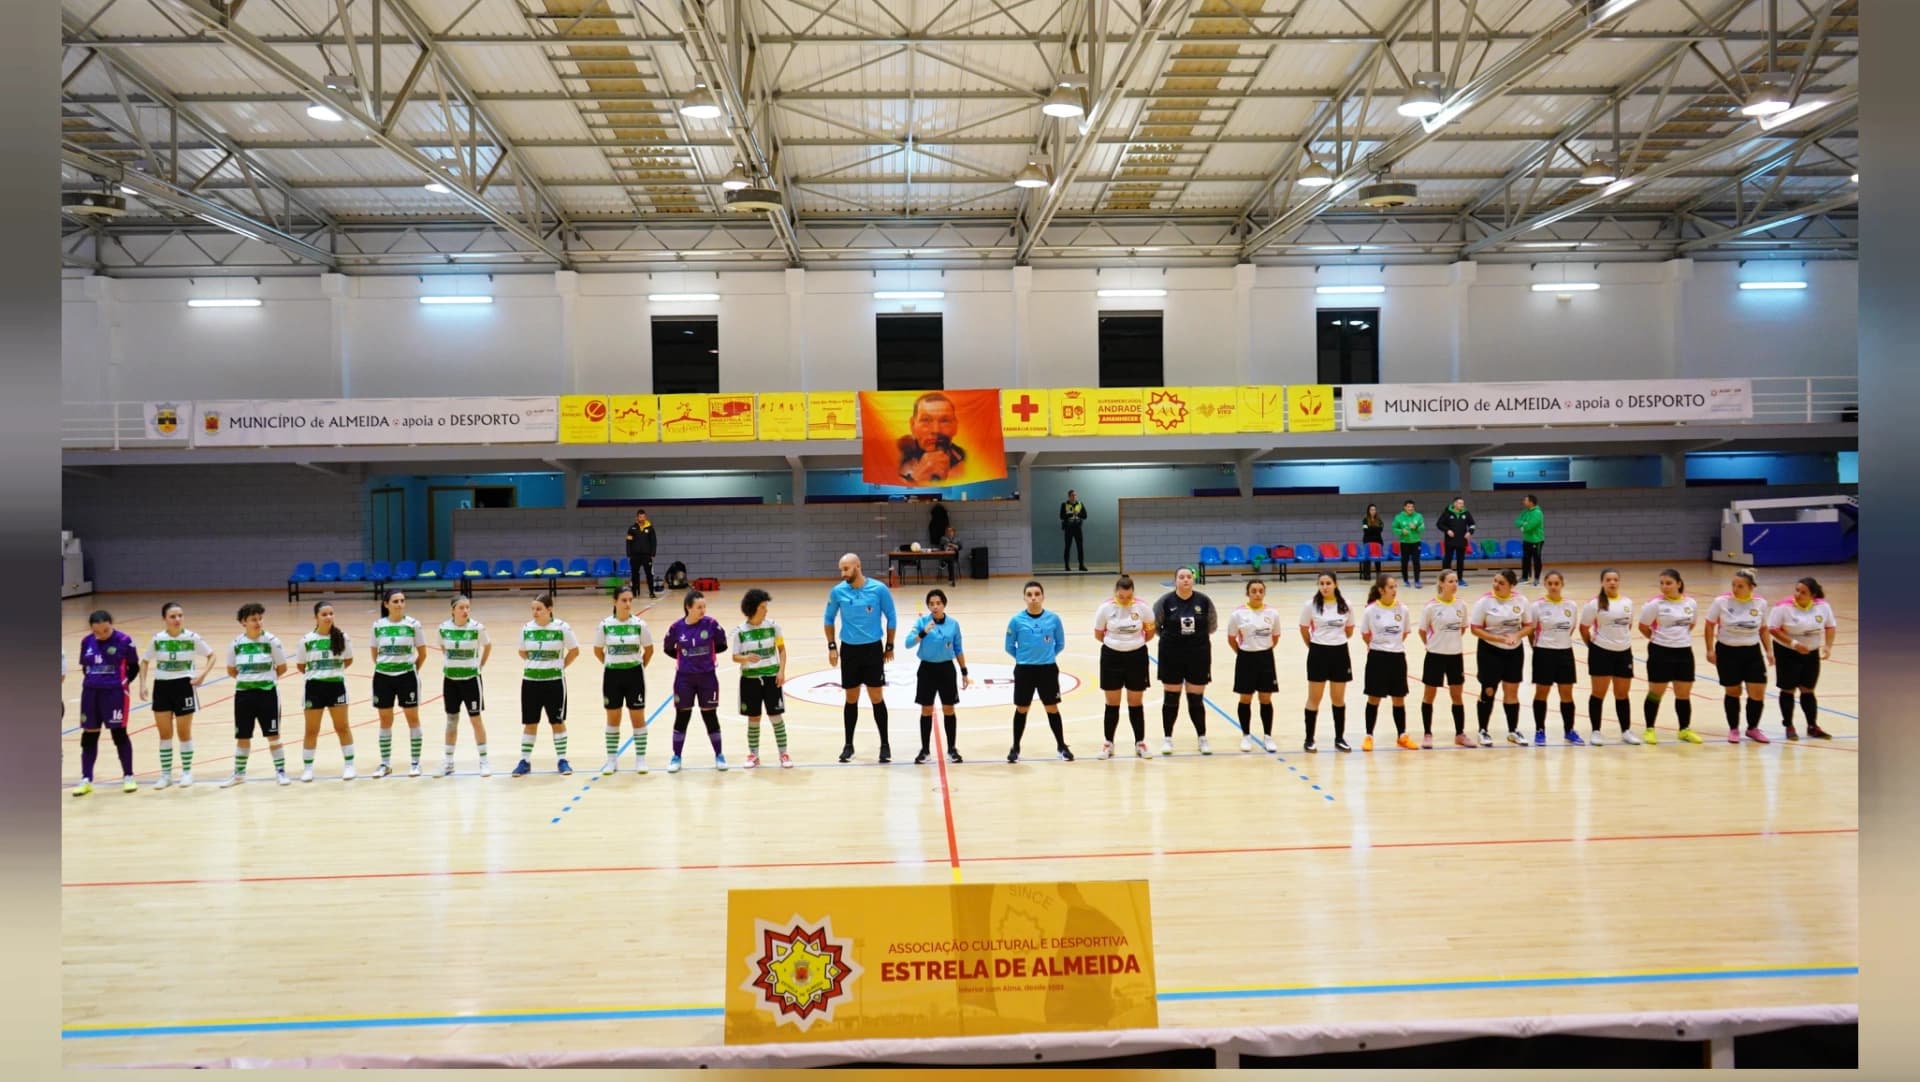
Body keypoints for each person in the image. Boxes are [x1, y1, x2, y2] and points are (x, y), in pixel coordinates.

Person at [824, 553, 899, 763]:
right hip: (849, 650)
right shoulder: (838, 591)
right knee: (851, 698)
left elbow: (891, 616)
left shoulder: (878, 589)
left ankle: (885, 745)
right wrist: (832, 646)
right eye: (841, 569)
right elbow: (828, 618)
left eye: (846, 569)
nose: (843, 573)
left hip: (873, 650)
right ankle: (848, 745)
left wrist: (889, 645)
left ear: (858, 566)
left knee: (876, 697)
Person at [139, 601, 215, 790]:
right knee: (165, 734)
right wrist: (142, 684)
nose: (177, 619)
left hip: (184, 686)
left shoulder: (191, 637)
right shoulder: (158, 639)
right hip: (162, 687)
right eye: (173, 616)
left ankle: (187, 772)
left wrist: (202, 674)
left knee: (184, 733)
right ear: (164, 619)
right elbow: (145, 661)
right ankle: (166, 775)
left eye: (180, 615)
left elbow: (212, 655)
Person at [222, 602, 291, 788]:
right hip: (244, 695)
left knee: (273, 735)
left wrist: (264, 679)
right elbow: (231, 670)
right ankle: (239, 775)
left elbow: (282, 667)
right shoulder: (236, 644)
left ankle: (281, 772)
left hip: (267, 694)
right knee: (242, 736)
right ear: (243, 622)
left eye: (260, 618)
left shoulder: (272, 641)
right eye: (254, 619)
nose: (258, 622)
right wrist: (249, 680)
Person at [73, 610, 140, 796]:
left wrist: (121, 684)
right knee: (89, 735)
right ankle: (86, 779)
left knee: (119, 733)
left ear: (111, 624)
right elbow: (86, 668)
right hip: (90, 693)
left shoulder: (125, 640)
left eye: (105, 630)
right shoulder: (86, 642)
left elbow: (133, 667)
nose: (101, 635)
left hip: (114, 694)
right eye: (97, 632)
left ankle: (128, 776)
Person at [512, 595, 579, 777]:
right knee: (530, 722)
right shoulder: (527, 628)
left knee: (557, 722)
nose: (535, 612)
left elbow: (574, 650)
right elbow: (522, 651)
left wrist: (561, 665)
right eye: (533, 609)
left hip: (554, 682)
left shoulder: (562, 628)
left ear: (549, 609)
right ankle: (524, 761)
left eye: (539, 608)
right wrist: (535, 664)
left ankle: (562, 760)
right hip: (531, 682)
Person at [1005, 580, 1072, 763]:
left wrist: (1046, 656)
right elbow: (1009, 646)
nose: (1033, 598)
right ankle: (1016, 747)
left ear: (1043, 596)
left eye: (1037, 594)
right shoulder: (1017, 620)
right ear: (1024, 598)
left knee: (1051, 707)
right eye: (1029, 595)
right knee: (1022, 708)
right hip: (1024, 670)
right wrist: (1024, 659)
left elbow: (1060, 644)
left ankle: (1061, 745)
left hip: (1047, 669)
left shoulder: (1053, 619)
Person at [1153, 566, 1218, 755]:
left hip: (1198, 654)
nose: (1186, 580)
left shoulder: (1203, 601)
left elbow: (1212, 626)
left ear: (1193, 580)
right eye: (1181, 577)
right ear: (1175, 581)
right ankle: (1167, 739)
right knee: (1171, 698)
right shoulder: (1165, 601)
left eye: (1189, 577)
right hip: (1171, 654)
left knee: (1196, 699)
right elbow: (1156, 626)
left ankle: (1202, 738)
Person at [663, 589, 728, 774]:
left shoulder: (711, 624)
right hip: (684, 678)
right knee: (682, 716)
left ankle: (719, 755)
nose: (703, 610)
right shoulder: (676, 628)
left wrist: (706, 658)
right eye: (699, 607)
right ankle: (676, 757)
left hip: (707, 677)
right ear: (688, 607)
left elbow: (722, 645)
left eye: (704, 606)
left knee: (710, 715)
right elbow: (668, 648)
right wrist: (685, 659)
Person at [1705, 569, 1773, 744]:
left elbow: (1764, 629)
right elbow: (1709, 625)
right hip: (1728, 651)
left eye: (1740, 586)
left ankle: (1753, 728)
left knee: (1757, 691)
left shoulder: (1760, 604)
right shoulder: (1721, 602)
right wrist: (1710, 650)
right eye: (1733, 585)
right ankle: (1733, 728)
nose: (1735, 589)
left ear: (1751, 587)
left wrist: (1769, 651)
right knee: (1733, 690)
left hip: (1752, 651)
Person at [1768, 576, 1838, 740]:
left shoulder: (1823, 606)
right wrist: (1793, 643)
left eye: (1803, 592)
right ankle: (1789, 725)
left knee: (1808, 689)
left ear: (1813, 594)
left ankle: (1812, 725)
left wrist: (1828, 646)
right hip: (1787, 651)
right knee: (1788, 689)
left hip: (1810, 652)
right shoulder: (1783, 607)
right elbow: (1773, 629)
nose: (1798, 594)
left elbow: (1830, 626)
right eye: (1797, 590)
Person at [1637, 569, 1702, 745]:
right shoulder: (1655, 605)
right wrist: (1658, 639)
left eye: (1668, 583)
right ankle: (1650, 729)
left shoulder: (1691, 603)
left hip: (1684, 651)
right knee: (1656, 692)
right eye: (1662, 583)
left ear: (1678, 584)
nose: (1664, 587)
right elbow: (1643, 626)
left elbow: (1691, 624)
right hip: (1660, 651)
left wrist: (1678, 638)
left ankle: (1684, 729)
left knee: (1683, 693)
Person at [1093, 575, 1156, 758]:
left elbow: (1150, 631)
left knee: (1135, 702)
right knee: (1112, 702)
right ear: (1116, 593)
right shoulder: (1105, 608)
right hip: (1111, 657)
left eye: (1128, 597)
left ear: (1133, 593)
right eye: (1121, 597)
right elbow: (1098, 634)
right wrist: (1117, 644)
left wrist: (1132, 644)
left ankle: (1140, 743)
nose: (1125, 600)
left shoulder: (1143, 607)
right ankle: (1108, 743)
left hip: (1136, 657)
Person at [903, 588, 967, 766]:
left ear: (944, 604)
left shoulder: (953, 624)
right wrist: (923, 632)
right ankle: (925, 750)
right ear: (928, 606)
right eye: (931, 604)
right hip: (927, 670)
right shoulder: (922, 622)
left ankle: (952, 749)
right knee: (926, 710)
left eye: (938, 603)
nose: (935, 606)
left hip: (947, 670)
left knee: (949, 709)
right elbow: (907, 643)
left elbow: (958, 649)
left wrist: (964, 671)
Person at [596, 586, 654, 775]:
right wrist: (612, 663)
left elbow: (649, 649)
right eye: (624, 600)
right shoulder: (605, 625)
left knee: (637, 717)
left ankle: (641, 759)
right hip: (612, 676)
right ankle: (612, 760)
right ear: (615, 602)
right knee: (613, 719)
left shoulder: (640, 625)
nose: (628, 604)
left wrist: (637, 666)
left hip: (634, 675)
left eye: (630, 600)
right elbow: (598, 650)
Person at [297, 601, 358, 782]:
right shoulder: (307, 640)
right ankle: (308, 769)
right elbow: (301, 665)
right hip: (314, 688)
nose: (329, 617)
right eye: (324, 614)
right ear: (316, 617)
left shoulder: (342, 637)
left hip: (336, 686)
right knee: (311, 730)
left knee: (342, 727)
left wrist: (332, 671)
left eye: (331, 613)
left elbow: (348, 660)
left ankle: (349, 766)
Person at [370, 589, 427, 778]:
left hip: (407, 677)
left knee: (412, 719)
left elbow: (422, 653)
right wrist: (388, 666)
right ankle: (385, 763)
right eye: (395, 601)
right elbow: (374, 654)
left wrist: (410, 670)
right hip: (383, 677)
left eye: (402, 600)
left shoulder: (413, 625)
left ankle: (415, 763)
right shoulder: (378, 625)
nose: (400, 604)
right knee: (385, 720)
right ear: (386, 604)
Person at [1469, 570, 1530, 746]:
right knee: (1489, 690)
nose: (1496, 585)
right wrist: (1498, 638)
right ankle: (1483, 730)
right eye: (1495, 581)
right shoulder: (1484, 602)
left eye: (1501, 583)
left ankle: (1513, 730)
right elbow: (1475, 629)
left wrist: (1517, 636)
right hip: (1490, 650)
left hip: (1514, 651)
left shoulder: (1521, 601)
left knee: (1512, 691)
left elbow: (1528, 625)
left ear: (1511, 586)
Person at [733, 588, 791, 769]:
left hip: (771, 678)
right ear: (753, 608)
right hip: (750, 680)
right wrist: (746, 658)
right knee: (754, 718)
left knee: (776, 717)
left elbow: (781, 650)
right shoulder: (740, 632)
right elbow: (735, 656)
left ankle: (784, 754)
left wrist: (781, 671)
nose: (766, 610)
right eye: (763, 607)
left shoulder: (773, 626)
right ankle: (753, 755)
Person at [1579, 568, 1638, 745]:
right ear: (1602, 582)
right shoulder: (1594, 604)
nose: (1612, 582)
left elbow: (1629, 625)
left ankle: (1626, 730)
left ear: (1619, 582)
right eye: (1608, 580)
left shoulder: (1628, 602)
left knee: (1622, 693)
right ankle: (1596, 731)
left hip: (1624, 652)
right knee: (1598, 693)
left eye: (1615, 579)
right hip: (1601, 652)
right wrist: (1594, 647)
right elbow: (1584, 628)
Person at [1298, 572, 1355, 753]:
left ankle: (1339, 738)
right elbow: (1304, 629)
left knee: (1338, 699)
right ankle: (1309, 739)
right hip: (1318, 652)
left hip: (1340, 652)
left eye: (1328, 583)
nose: (1325, 587)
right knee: (1314, 698)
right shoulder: (1311, 606)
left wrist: (1335, 640)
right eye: (1321, 583)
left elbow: (1350, 630)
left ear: (1335, 584)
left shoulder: (1346, 605)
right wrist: (1314, 645)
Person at [438, 594, 492, 777]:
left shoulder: (477, 628)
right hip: (451, 680)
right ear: (452, 610)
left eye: (468, 607)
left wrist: (480, 665)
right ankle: (448, 762)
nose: (465, 611)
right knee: (451, 720)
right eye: (461, 608)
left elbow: (488, 646)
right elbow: (443, 648)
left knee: (475, 719)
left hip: (471, 680)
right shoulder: (443, 628)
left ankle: (484, 761)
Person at [1360, 575, 1415, 751]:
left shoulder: (1403, 609)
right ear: (1381, 590)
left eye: (1395, 586)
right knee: (1374, 698)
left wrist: (1393, 645)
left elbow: (1405, 633)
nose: (1394, 590)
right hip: (1377, 657)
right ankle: (1369, 735)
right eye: (1391, 587)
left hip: (1397, 656)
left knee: (1399, 698)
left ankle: (1402, 735)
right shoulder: (1370, 610)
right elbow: (1365, 634)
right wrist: (1378, 646)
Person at [1528, 571, 1583, 746]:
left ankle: (1569, 730)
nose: (1553, 586)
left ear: (1561, 585)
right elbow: (1531, 631)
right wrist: (1538, 648)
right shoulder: (1537, 606)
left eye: (1556, 583)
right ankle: (1540, 730)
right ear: (1545, 584)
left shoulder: (1571, 606)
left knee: (1567, 693)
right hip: (1544, 652)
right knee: (1542, 693)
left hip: (1565, 652)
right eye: (1550, 583)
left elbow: (1571, 628)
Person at [1226, 580, 1281, 753]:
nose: (1257, 594)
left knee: (1266, 698)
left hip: (1265, 658)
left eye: (1260, 591)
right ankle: (1246, 736)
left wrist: (1263, 650)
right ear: (1247, 593)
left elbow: (1275, 637)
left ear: (1264, 593)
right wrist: (1243, 653)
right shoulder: (1238, 614)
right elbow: (1231, 638)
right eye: (1253, 591)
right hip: (1245, 658)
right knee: (1245, 699)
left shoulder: (1272, 613)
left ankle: (1268, 736)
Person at [1419, 569, 1470, 748]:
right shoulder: (1431, 607)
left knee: (1457, 695)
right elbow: (1422, 631)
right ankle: (1427, 733)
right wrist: (1433, 645)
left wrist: (1451, 643)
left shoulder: (1461, 605)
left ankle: (1460, 733)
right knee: (1429, 695)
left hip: (1455, 655)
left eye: (1456, 581)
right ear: (1441, 583)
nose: (1454, 584)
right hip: (1435, 656)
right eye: (1450, 581)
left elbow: (1462, 629)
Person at [896, 392, 968, 485]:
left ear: (955, 426)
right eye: (926, 420)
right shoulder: (893, 460)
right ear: (913, 425)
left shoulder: (970, 462)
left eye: (944, 421)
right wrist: (915, 480)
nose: (936, 430)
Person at [1438, 497, 1476, 583]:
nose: (1462, 505)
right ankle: (1445, 579)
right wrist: (1447, 530)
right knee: (1447, 560)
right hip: (1450, 541)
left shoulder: (1466, 513)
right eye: (1459, 503)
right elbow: (1439, 524)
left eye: (1462, 503)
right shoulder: (1447, 512)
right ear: (1454, 504)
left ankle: (1460, 579)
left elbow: (1472, 524)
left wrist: (1470, 532)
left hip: (1462, 540)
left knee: (1460, 560)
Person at [625, 509, 659, 598]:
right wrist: (629, 553)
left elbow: (653, 541)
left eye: (644, 516)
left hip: (646, 555)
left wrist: (653, 553)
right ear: (637, 517)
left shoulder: (650, 528)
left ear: (645, 517)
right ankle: (634, 592)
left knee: (649, 574)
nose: (642, 518)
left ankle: (651, 592)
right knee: (634, 574)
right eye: (640, 517)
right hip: (635, 555)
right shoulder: (632, 529)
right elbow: (628, 542)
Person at [1392, 499, 1424, 587]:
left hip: (1416, 542)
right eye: (1408, 507)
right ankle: (1406, 580)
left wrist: (1416, 527)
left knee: (1416, 562)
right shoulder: (1398, 517)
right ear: (1404, 507)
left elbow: (1422, 527)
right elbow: (1394, 528)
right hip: (1404, 542)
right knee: (1404, 562)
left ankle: (1417, 581)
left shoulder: (1418, 516)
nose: (1410, 508)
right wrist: (1402, 531)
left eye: (1412, 507)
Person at [1516, 495, 1546, 588]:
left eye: (1525, 500)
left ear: (1531, 502)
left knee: (1536, 559)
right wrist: (1523, 524)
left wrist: (1524, 526)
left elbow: (1530, 526)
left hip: (1536, 541)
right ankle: (1525, 577)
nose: (1523, 502)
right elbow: (1517, 521)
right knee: (1525, 559)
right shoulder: (1525, 512)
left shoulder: (1538, 513)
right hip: (1526, 540)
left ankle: (1536, 578)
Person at [1060, 489, 1088, 572]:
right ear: (1069, 496)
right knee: (1067, 547)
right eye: (1072, 495)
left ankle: (1081, 565)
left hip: (1077, 528)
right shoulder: (1064, 504)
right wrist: (1071, 514)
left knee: (1080, 547)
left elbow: (1085, 515)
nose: (1074, 496)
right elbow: (1061, 516)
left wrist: (1078, 513)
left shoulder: (1080, 504)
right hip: (1068, 528)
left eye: (1075, 495)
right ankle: (1067, 565)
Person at [1358, 504, 1385, 579]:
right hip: (1368, 541)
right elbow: (1366, 531)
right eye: (1371, 510)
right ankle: (1367, 574)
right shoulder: (1365, 520)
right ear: (1368, 511)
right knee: (1367, 558)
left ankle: (1378, 574)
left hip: (1378, 541)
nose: (1373, 511)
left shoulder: (1379, 520)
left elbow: (1380, 530)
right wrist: (1375, 528)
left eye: (1374, 510)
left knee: (1378, 559)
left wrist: (1371, 528)